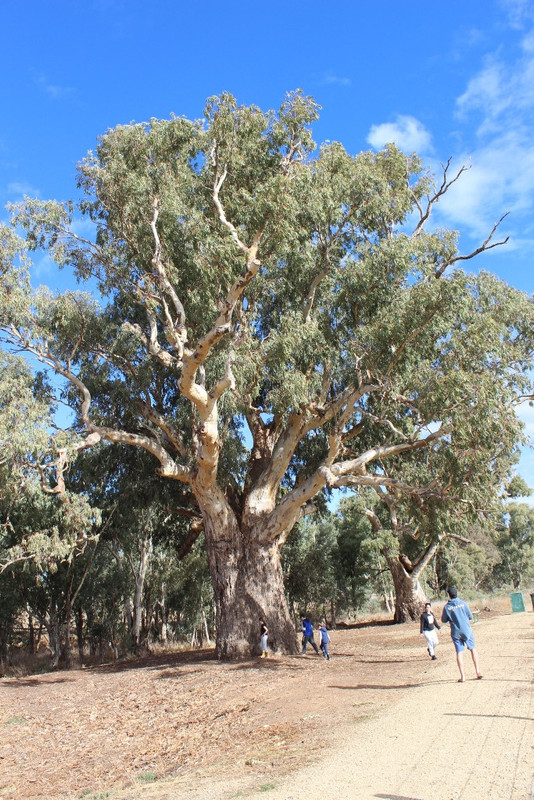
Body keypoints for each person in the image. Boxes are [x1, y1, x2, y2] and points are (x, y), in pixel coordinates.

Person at [441, 587, 483, 682]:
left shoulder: (447, 607)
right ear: (457, 594)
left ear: (449, 595)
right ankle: (478, 672)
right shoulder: (463, 604)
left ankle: (463, 676)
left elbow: (443, 620)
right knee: (473, 649)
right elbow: (470, 616)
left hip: (456, 632)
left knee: (459, 652)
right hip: (467, 630)